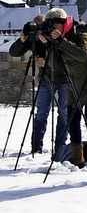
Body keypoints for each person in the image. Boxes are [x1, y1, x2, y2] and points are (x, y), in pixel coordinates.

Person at [45, 8, 87, 167]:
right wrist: (51, 45)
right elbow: (54, 64)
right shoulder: (59, 37)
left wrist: (60, 41)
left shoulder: (81, 32)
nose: (52, 29)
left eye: (53, 25)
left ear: (62, 24)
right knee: (73, 120)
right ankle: (77, 158)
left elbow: (81, 55)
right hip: (72, 83)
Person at [9, 14, 68, 155]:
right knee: (41, 112)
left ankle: (60, 146)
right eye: (36, 27)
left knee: (64, 113)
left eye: (41, 26)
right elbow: (14, 52)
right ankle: (36, 147)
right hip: (45, 78)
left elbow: (64, 55)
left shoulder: (57, 36)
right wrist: (22, 41)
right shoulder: (34, 38)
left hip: (64, 78)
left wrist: (47, 51)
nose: (39, 30)